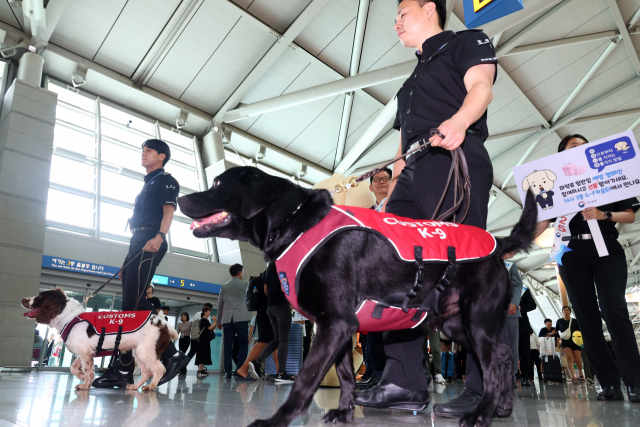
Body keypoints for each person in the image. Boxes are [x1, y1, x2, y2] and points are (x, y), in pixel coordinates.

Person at [355, 0, 498, 414]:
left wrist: (459, 121)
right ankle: (404, 380)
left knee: (465, 271)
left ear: (430, 7)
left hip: (454, 160)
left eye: (403, 13)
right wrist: (394, 190)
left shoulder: (466, 42)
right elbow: (401, 148)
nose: (395, 23)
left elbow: (481, 87)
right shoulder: (409, 84)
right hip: (413, 172)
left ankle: (486, 384)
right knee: (396, 271)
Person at [532, 134, 640, 402]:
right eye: (572, 146)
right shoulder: (554, 187)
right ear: (561, 156)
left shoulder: (609, 176)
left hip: (607, 251)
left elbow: (630, 213)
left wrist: (604, 215)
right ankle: (609, 384)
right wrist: (515, 240)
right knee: (587, 320)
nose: (579, 148)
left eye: (583, 145)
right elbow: (540, 225)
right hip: (572, 256)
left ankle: (635, 382)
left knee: (614, 311)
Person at [93, 139, 188, 388]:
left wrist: (160, 236)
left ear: (162, 157)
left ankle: (171, 353)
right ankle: (123, 369)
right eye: (142, 149)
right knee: (129, 308)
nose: (143, 153)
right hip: (138, 241)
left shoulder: (166, 180)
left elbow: (169, 212)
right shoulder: (148, 184)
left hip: (150, 238)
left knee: (136, 304)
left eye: (149, 150)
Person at [356, 168, 392, 389]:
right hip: (371, 274)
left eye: (386, 178)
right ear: (370, 186)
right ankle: (373, 370)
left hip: (394, 272)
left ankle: (388, 371)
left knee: (393, 324)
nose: (381, 182)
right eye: (376, 179)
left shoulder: (399, 208)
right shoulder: (366, 214)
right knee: (371, 324)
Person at [249, 262, 295, 383]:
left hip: (270, 308)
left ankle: (257, 362)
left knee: (276, 340)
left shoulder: (266, 272)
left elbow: (266, 292)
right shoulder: (283, 268)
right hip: (282, 307)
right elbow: (283, 287)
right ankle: (281, 374)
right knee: (284, 340)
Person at [237, 270, 276, 380]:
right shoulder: (270, 273)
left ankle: (278, 372)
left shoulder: (265, 274)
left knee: (272, 341)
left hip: (264, 311)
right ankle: (243, 369)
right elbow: (267, 291)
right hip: (267, 311)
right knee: (263, 342)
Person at [217, 263, 251, 378]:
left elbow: (220, 304)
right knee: (243, 344)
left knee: (227, 345)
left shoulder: (224, 286)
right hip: (241, 317)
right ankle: (240, 369)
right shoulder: (245, 285)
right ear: (240, 273)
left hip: (227, 319)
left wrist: (219, 321)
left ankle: (228, 371)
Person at [503, 261, 523, 385]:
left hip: (509, 312)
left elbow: (517, 285)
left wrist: (515, 303)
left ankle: (511, 375)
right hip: (490, 313)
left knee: (511, 345)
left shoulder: (509, 265)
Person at [517, 287, 536, 386]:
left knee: (525, 352)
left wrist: (520, 307)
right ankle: (513, 377)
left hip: (522, 325)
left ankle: (524, 377)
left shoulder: (523, 290)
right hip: (506, 325)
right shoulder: (500, 288)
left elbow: (532, 305)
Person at [195, 307, 217, 377]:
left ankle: (200, 370)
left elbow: (211, 328)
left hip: (204, 340)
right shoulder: (204, 320)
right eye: (208, 311)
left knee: (204, 355)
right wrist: (215, 322)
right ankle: (199, 370)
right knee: (203, 355)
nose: (209, 313)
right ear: (205, 312)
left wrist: (214, 324)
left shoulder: (205, 320)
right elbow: (210, 328)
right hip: (203, 340)